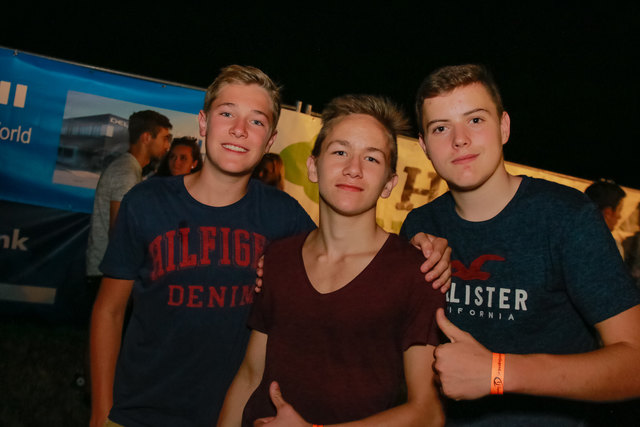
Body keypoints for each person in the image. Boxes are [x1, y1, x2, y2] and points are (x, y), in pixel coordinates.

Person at [89, 66, 450, 427]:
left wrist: (419, 246)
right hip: (142, 410)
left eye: (257, 121)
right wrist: (100, 410)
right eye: (227, 113)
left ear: (271, 139)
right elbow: (109, 311)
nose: (239, 129)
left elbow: (350, 252)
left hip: (230, 411)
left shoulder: (283, 218)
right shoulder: (147, 202)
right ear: (203, 122)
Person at [401, 64, 640, 426]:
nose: (459, 139)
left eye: (475, 120)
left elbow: (634, 363)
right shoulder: (420, 225)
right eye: (440, 128)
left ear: (504, 127)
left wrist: (498, 372)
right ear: (424, 146)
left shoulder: (566, 217)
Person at [218, 94, 445, 427]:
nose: (353, 169)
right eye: (340, 152)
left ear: (389, 183)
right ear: (313, 167)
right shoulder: (278, 258)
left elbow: (428, 413)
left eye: (372, 158)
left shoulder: (417, 271)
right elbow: (250, 376)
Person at [85, 109, 172, 305]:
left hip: (110, 272)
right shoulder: (126, 173)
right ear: (146, 138)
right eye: (165, 138)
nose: (167, 146)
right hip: (109, 275)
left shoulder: (130, 169)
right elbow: (119, 231)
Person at [584, 178, 627, 256]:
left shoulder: (567, 235)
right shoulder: (612, 248)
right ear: (608, 213)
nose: (619, 216)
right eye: (619, 210)